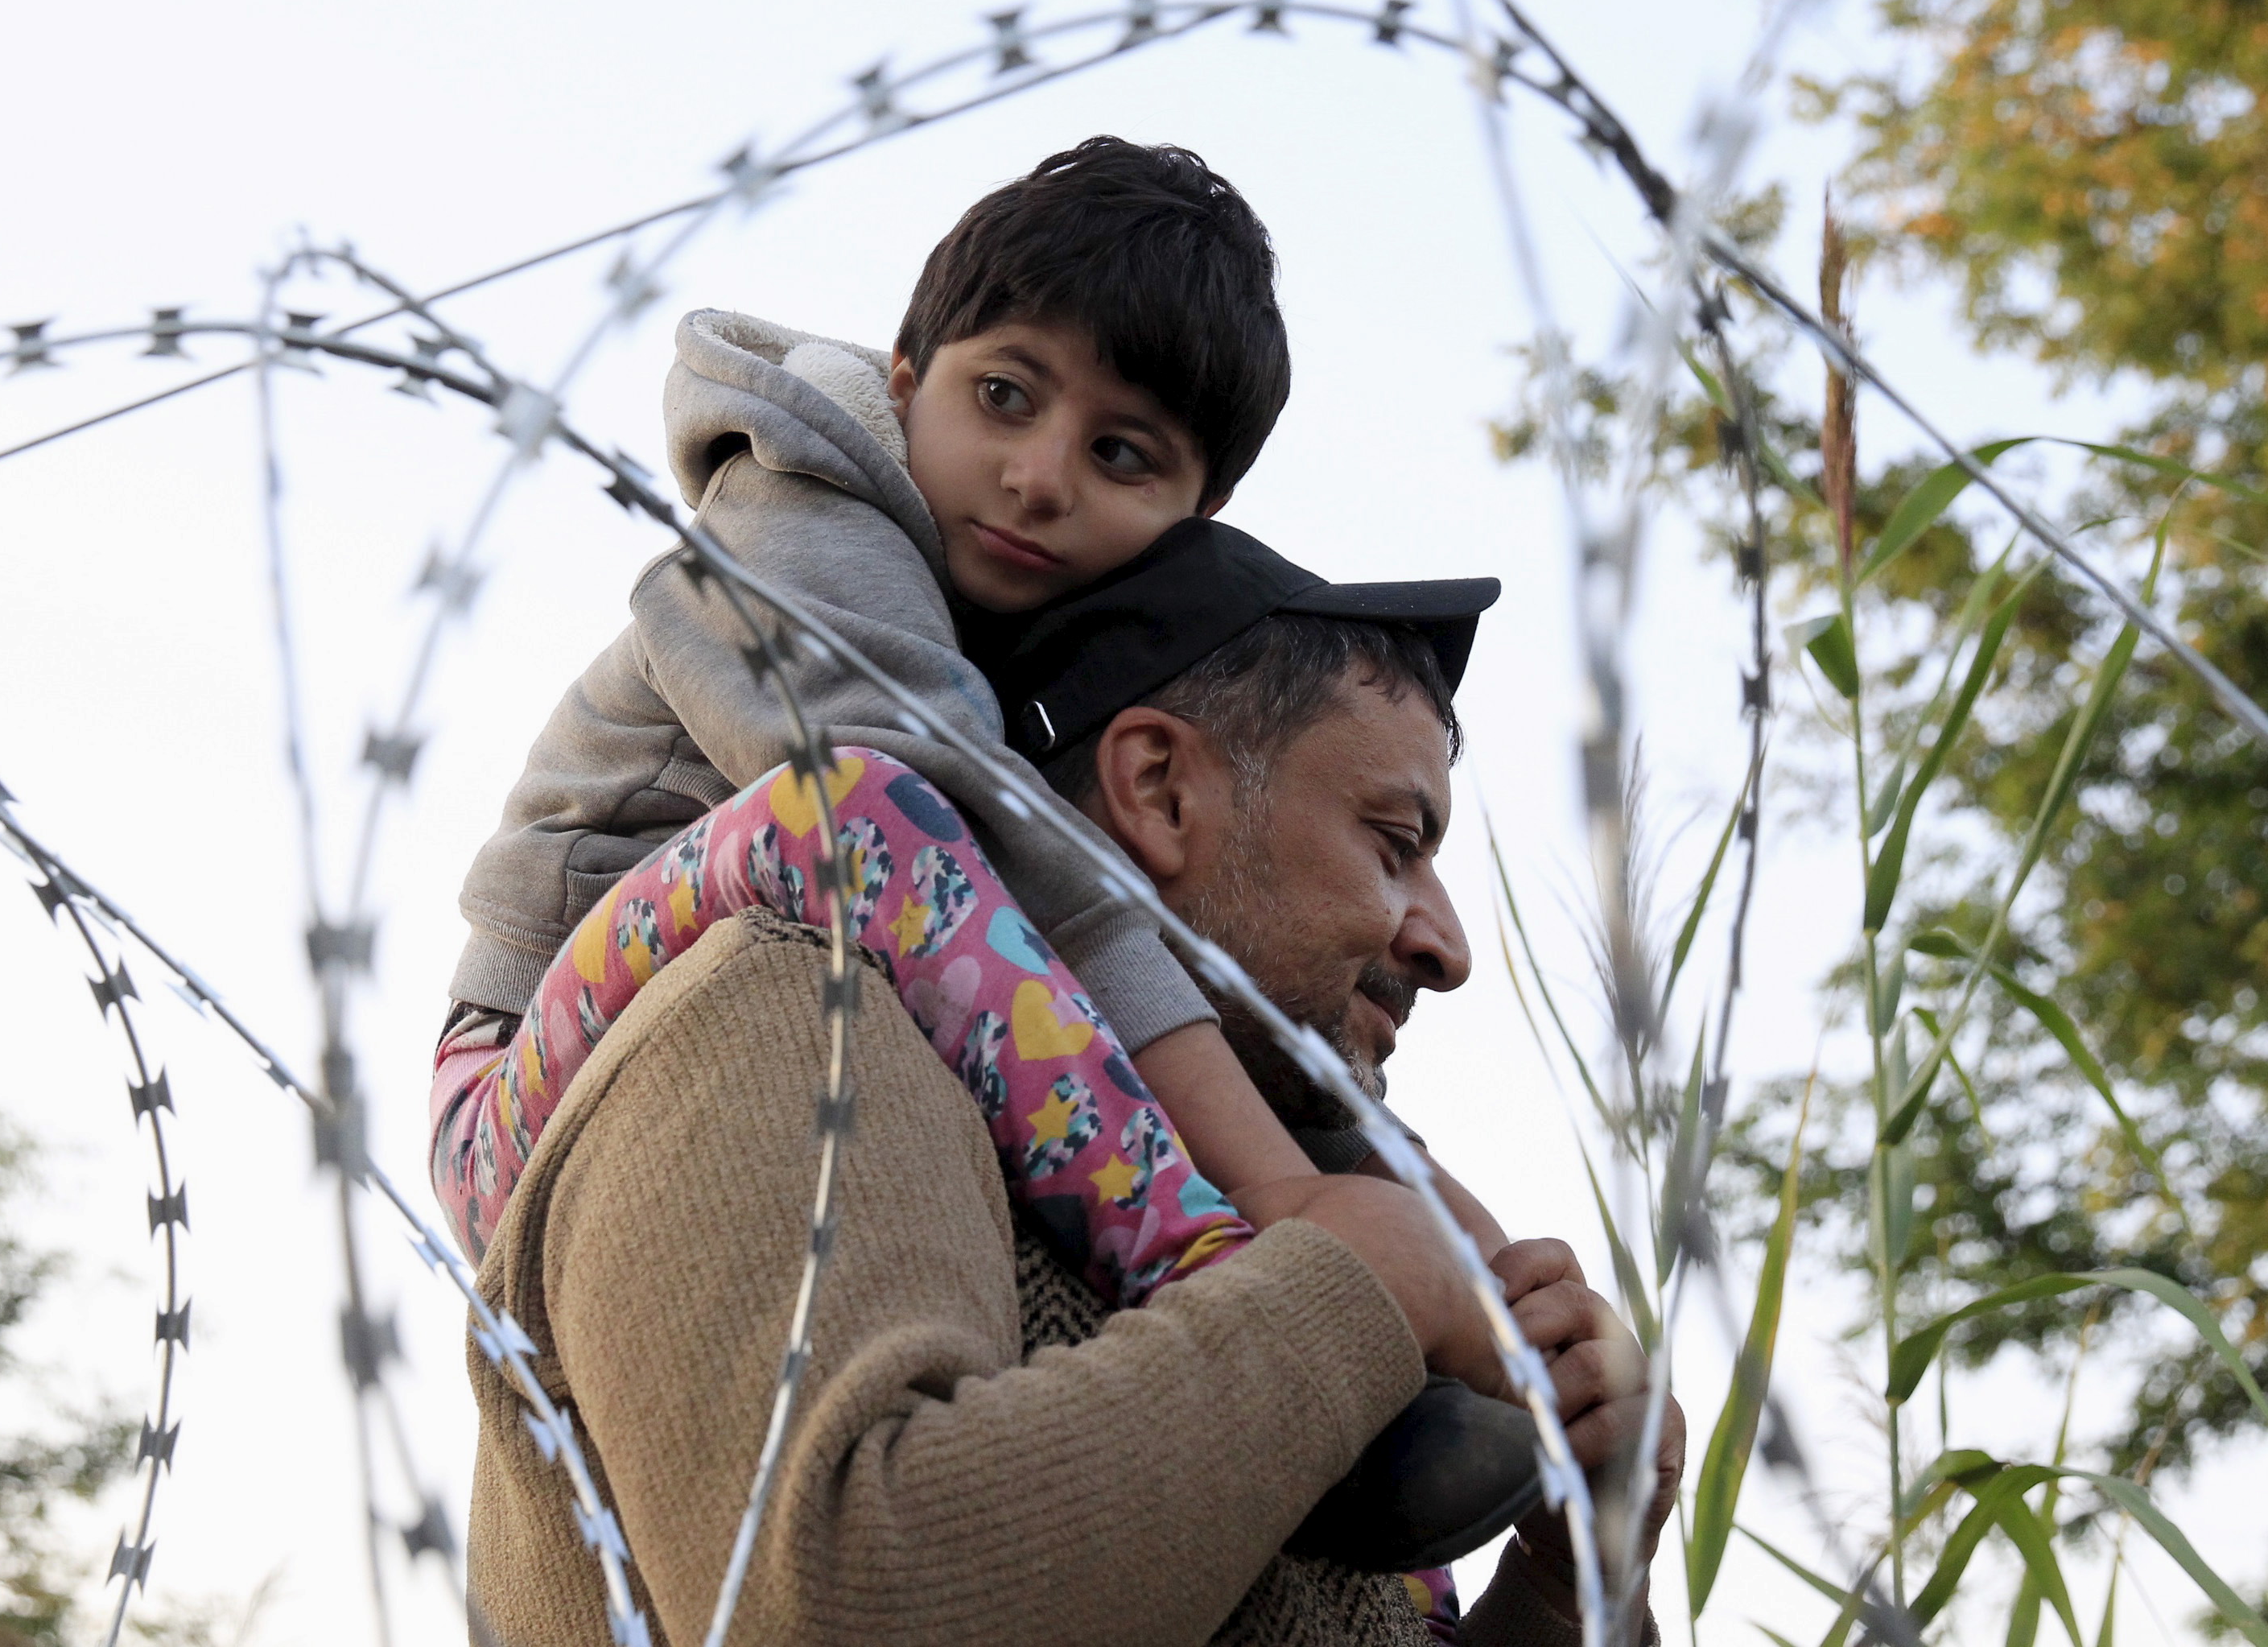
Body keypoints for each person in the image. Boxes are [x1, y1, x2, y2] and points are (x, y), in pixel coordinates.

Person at [432, 134, 1533, 1533]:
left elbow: (1163, 979)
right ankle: (1210, 1276)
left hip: (765, 979)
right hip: (528, 1077)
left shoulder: (1025, 657)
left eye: (1119, 454)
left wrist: (1488, 1274)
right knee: (885, 813)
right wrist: (1274, 1200)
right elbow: (951, 823)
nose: (1036, 476)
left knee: (1184, 995)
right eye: (1003, 397)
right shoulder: (795, 516)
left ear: (1195, 518)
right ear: (906, 384)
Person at [460, 531, 1685, 1645]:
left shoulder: (1286, 1248)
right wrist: (1348, 1290)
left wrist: (1570, 1580)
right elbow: (839, 1605)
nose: (1448, 945)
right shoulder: (794, 1012)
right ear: (1157, 787)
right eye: (1394, 842)